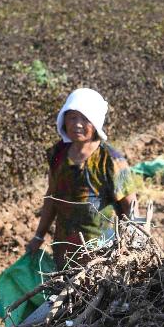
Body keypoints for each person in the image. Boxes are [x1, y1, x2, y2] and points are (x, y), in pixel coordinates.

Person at [27, 87, 135, 267]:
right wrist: (39, 236)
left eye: (85, 118)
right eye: (72, 117)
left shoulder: (112, 160)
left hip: (100, 251)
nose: (77, 124)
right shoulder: (59, 153)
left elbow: (130, 206)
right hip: (63, 247)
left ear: (95, 123)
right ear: (63, 119)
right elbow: (51, 196)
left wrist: (133, 242)